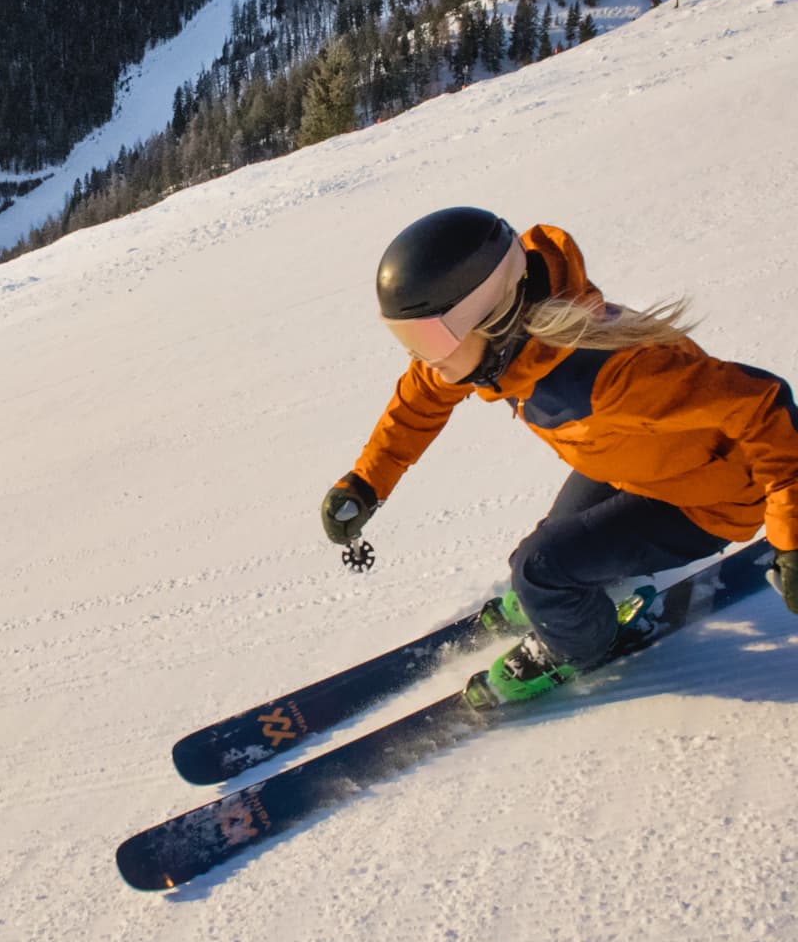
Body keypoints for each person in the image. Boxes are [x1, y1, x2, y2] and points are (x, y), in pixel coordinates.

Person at [321, 206, 798, 702]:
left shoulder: (610, 375)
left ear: (489, 314)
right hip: (634, 465)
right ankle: (574, 597)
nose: (420, 357)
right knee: (549, 557)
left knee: (538, 570)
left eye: (426, 337)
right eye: (406, 337)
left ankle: (578, 648)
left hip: (709, 499)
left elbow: (762, 405)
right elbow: (421, 398)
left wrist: (791, 533)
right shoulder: (506, 348)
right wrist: (366, 482)